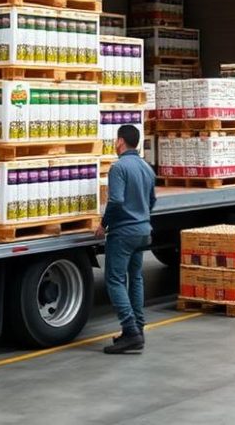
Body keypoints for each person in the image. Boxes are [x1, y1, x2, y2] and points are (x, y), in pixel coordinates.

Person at [98, 123, 157, 354]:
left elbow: (116, 201)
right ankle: (138, 329)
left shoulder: (119, 168)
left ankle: (130, 331)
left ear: (120, 141)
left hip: (123, 233)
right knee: (136, 278)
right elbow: (152, 201)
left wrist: (104, 225)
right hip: (143, 230)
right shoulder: (146, 168)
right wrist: (141, 215)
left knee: (114, 280)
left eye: (115, 140)